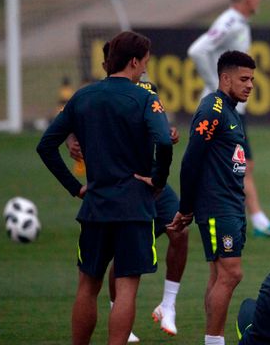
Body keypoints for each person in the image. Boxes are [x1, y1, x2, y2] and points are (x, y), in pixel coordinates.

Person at [36, 31, 173, 345]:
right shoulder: (145, 98)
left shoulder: (83, 96)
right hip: (134, 209)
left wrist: (76, 188)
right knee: (125, 289)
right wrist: (159, 179)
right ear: (134, 61)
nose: (145, 71)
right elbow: (164, 141)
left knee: (87, 286)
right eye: (144, 65)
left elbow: (46, 146)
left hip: (96, 205)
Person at [65, 80, 188, 342]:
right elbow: (69, 121)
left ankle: (168, 305)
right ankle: (117, 313)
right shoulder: (98, 94)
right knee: (121, 258)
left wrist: (168, 132)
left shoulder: (146, 90)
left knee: (180, 229)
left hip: (150, 181)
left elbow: (155, 125)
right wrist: (70, 140)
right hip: (123, 185)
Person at [168, 50, 256, 345]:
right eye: (244, 79)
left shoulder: (230, 110)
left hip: (230, 204)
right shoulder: (213, 109)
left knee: (219, 274)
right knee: (231, 274)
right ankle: (214, 341)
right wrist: (187, 207)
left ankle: (212, 340)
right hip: (218, 206)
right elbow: (191, 160)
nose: (250, 85)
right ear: (224, 78)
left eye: (252, 79)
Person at [188, 0, 270, 238]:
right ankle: (236, 219)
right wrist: (218, 85)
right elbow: (197, 50)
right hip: (221, 109)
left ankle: (255, 220)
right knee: (233, 164)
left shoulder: (239, 23)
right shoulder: (228, 22)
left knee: (242, 163)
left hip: (232, 108)